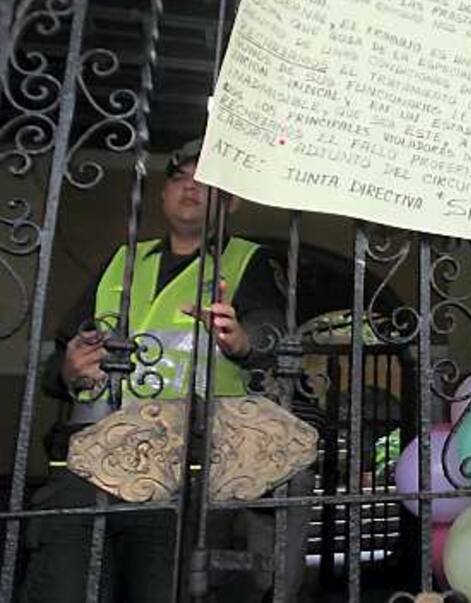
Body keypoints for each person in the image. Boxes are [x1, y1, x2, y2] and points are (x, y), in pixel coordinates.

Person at [22, 139, 295, 603]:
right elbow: (57, 363)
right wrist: (68, 370)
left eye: (205, 180)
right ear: (163, 195)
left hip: (186, 472)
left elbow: (272, 337)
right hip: (97, 462)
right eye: (179, 177)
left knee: (159, 587)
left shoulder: (247, 261)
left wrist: (243, 342)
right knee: (68, 583)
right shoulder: (122, 262)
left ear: (230, 201)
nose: (190, 187)